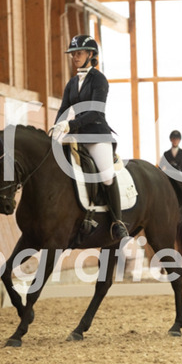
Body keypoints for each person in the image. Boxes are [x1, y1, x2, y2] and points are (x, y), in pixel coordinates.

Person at [51, 34, 128, 240]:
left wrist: (70, 124)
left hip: (96, 135)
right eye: (73, 54)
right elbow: (63, 109)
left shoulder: (99, 80)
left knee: (106, 175)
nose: (75, 57)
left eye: (79, 53)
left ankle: (117, 222)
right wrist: (56, 127)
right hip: (76, 135)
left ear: (91, 55)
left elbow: (95, 111)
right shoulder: (72, 82)